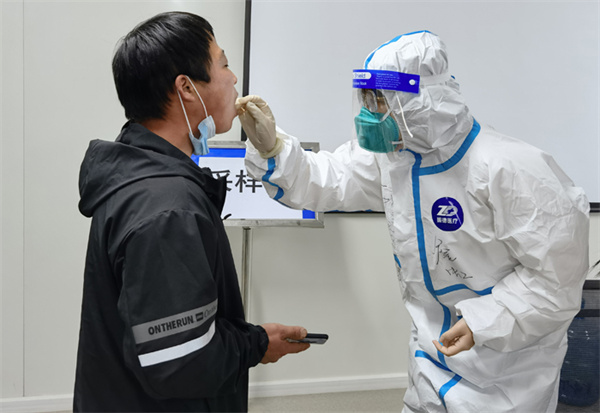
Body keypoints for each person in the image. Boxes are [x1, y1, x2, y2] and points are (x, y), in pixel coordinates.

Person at [236, 31, 590, 412]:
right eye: (366, 100)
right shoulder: (397, 163)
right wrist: (275, 150)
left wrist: (483, 321)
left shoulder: (511, 168)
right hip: (430, 362)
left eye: (379, 101)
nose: (369, 113)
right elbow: (330, 179)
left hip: (506, 373)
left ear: (421, 101)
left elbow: (558, 278)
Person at [74, 11, 310, 412]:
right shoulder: (168, 208)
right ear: (186, 87)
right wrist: (255, 345)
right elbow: (179, 362)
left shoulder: (140, 178)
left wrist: (252, 340)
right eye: (224, 65)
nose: (234, 79)